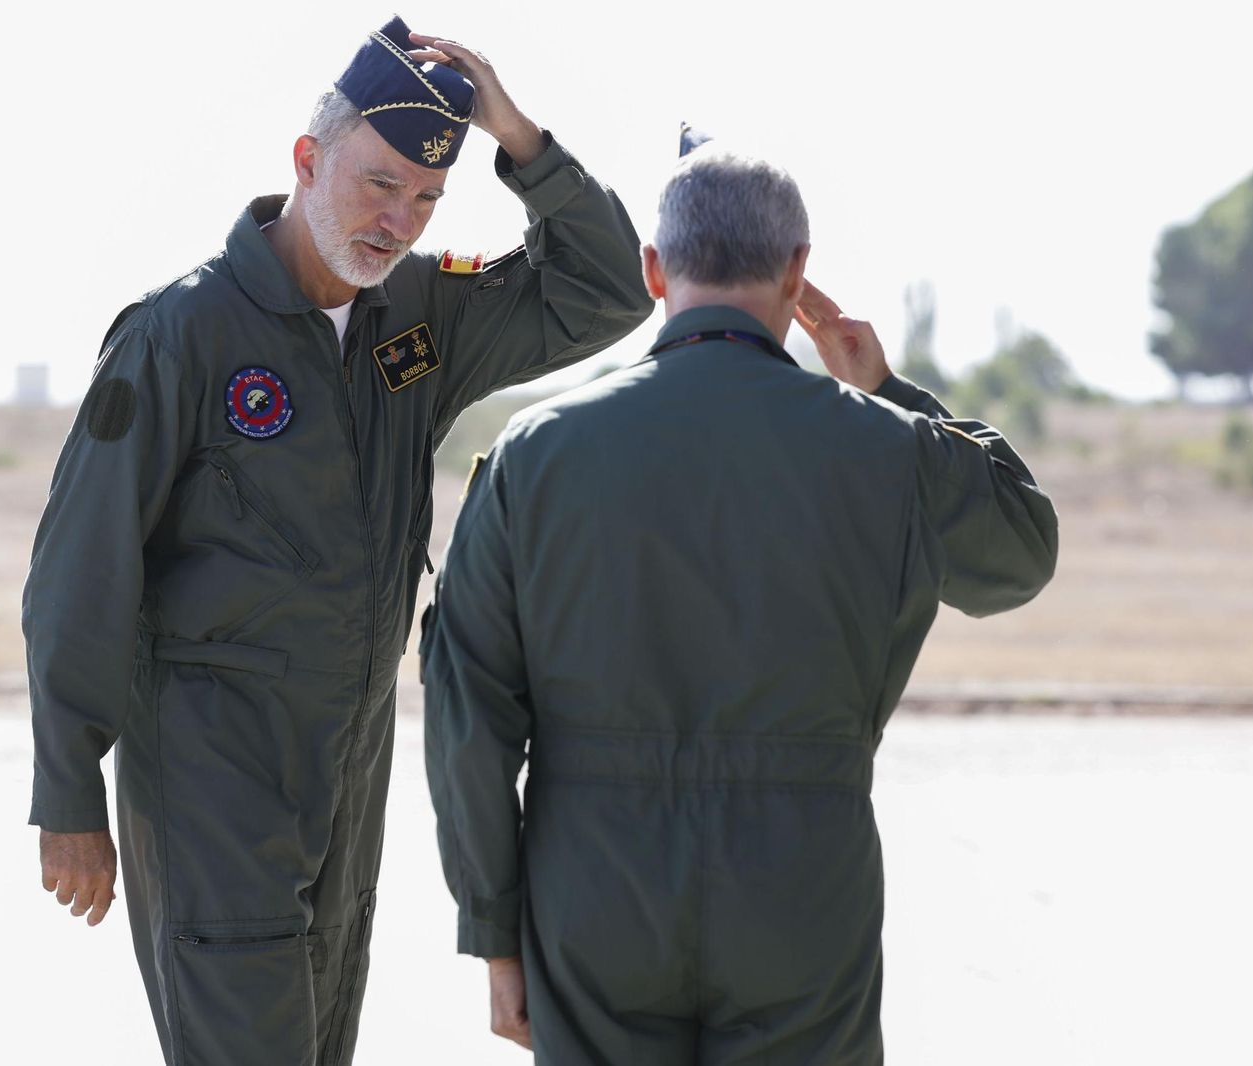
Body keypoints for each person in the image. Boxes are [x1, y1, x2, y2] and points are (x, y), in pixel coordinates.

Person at [23, 15, 652, 1066]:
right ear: (308, 160)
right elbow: (81, 568)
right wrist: (67, 792)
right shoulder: (180, 334)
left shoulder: (419, 314)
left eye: (427, 198)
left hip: (351, 770)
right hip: (215, 779)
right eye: (379, 183)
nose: (398, 221)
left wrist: (521, 140)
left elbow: (609, 291)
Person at [420, 142, 1059, 1063]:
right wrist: (888, 393)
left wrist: (494, 930)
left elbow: (469, 710)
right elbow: (1021, 553)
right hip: (800, 888)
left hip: (595, 891)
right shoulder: (889, 449)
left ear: (653, 270)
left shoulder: (535, 452)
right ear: (798, 273)